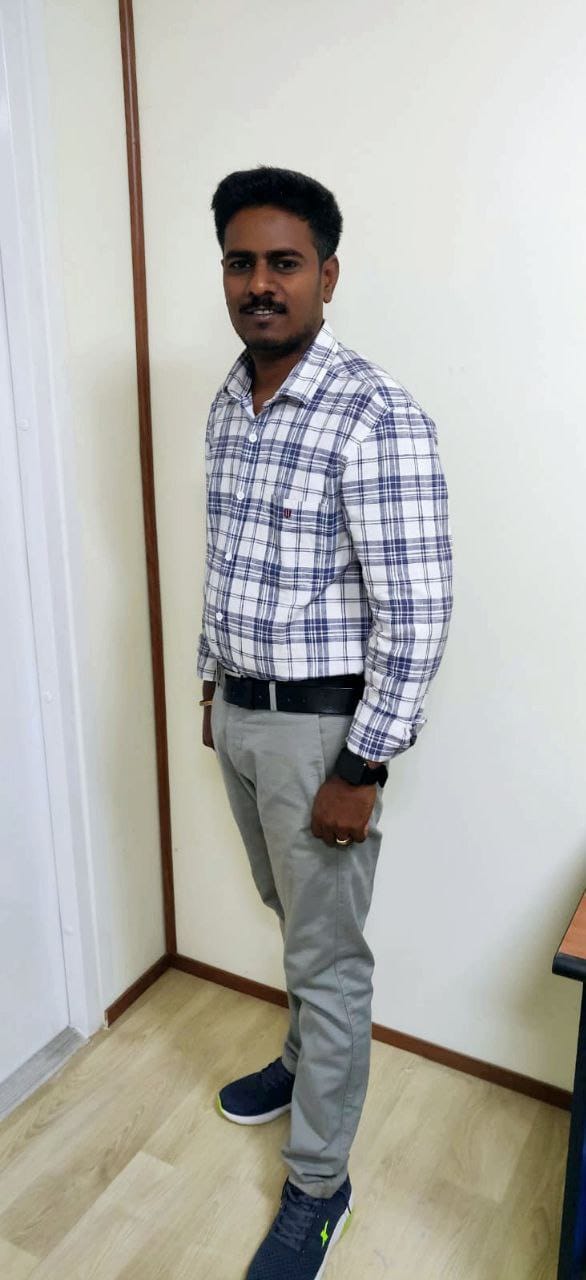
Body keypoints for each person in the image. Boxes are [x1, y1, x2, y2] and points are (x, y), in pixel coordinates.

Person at [197, 165, 452, 1279]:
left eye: (284, 263)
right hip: (244, 718)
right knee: (288, 917)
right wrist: (212, 688)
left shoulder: (374, 413)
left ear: (327, 275)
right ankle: (302, 1064)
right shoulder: (231, 400)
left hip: (322, 740)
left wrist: (363, 765)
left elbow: (418, 612)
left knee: (329, 958)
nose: (260, 283)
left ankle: (318, 1186)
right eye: (240, 262)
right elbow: (226, 560)